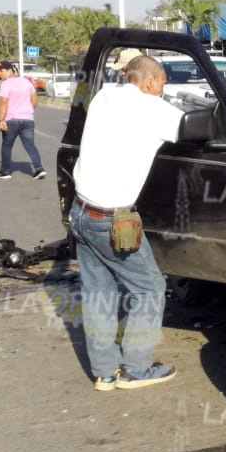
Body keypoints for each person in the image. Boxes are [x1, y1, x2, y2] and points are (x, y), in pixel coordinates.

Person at [70, 55, 185, 390]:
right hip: (111, 221)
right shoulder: (153, 109)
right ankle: (136, 368)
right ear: (149, 82)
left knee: (98, 295)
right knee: (149, 288)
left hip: (80, 212)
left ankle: (105, 373)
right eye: (162, 83)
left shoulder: (105, 95)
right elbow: (202, 127)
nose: (164, 90)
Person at [0, 61, 45, 180]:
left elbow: (3, 102)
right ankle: (39, 169)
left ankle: (5, 171)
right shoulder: (26, 82)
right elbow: (35, 101)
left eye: (1, 71)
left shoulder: (6, 84)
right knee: (30, 144)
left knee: (7, 145)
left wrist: (1, 120)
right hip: (28, 120)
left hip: (11, 120)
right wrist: (26, 111)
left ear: (9, 70)